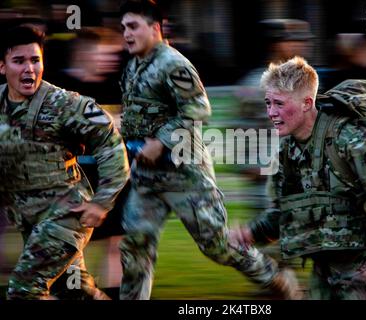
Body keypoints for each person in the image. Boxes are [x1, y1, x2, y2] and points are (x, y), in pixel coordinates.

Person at [117, 0, 299, 300]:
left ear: (155, 28)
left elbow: (198, 108)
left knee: (216, 246)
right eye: (123, 27)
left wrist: (160, 141)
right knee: (136, 245)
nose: (126, 33)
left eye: (133, 26)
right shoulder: (134, 65)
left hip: (185, 175)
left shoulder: (173, 63)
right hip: (147, 177)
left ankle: (273, 275)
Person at [229, 56, 366, 299]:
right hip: (325, 272)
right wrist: (252, 233)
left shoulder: (352, 142)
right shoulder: (286, 151)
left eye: (280, 104)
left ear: (306, 103)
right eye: (268, 103)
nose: (271, 112)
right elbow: (285, 212)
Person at [0, 25, 129, 299]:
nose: (29, 69)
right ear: (2, 67)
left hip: (66, 217)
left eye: (35, 60)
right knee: (75, 292)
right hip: (30, 222)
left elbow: (112, 145)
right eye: (19, 61)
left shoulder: (66, 104)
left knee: (24, 291)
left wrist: (102, 201)